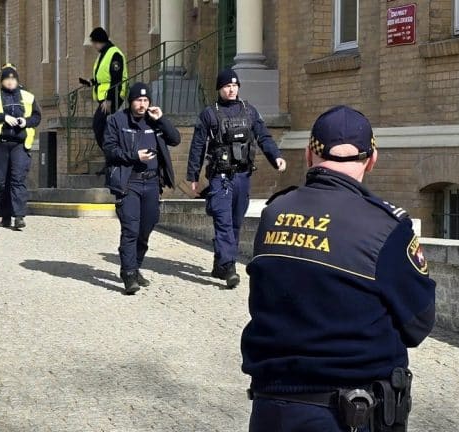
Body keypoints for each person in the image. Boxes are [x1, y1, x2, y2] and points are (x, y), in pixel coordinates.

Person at [241, 105, 436, 432]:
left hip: (271, 408)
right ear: (372, 159)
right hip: (346, 414)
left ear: (308, 155)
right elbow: (418, 323)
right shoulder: (385, 227)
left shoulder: (274, 213)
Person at [186, 68, 287, 289]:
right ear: (219, 89)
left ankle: (220, 263)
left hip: (242, 175)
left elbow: (263, 137)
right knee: (223, 220)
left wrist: (276, 157)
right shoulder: (209, 114)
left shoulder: (249, 111)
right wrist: (193, 175)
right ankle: (230, 267)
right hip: (220, 177)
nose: (231, 90)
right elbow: (197, 145)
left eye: (234, 85)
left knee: (235, 222)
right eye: (226, 86)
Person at [103, 82, 180, 295]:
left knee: (146, 227)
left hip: (152, 183)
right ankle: (128, 274)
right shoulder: (117, 121)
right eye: (138, 100)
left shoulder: (153, 121)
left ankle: (135, 266)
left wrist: (162, 120)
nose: (142, 105)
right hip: (129, 182)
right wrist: (134, 156)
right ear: (131, 101)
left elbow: (175, 139)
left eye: (146, 100)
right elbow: (109, 150)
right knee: (131, 229)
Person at [0, 64, 42, 230]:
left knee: (18, 179)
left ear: (17, 80)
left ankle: (19, 216)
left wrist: (25, 122)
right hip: (0, 144)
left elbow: (37, 117)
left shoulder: (28, 97)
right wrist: (4, 117)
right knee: (2, 182)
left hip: (19, 144)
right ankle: (5, 215)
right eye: (7, 79)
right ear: (2, 81)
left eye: (13, 79)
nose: (10, 81)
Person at [86, 27, 128, 152]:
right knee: (104, 126)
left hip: (112, 97)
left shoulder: (114, 54)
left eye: (94, 43)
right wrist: (91, 82)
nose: (94, 46)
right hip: (104, 98)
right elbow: (103, 77)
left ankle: (111, 152)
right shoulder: (103, 54)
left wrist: (109, 100)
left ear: (99, 41)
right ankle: (111, 153)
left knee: (98, 124)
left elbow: (116, 79)